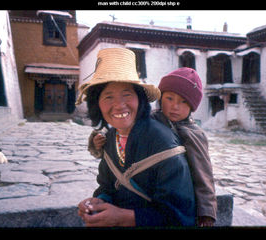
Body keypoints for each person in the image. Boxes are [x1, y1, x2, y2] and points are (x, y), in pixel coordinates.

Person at [75, 48, 196, 227]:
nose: (119, 105)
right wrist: (99, 201)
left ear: (140, 99)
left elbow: (180, 215)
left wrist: (122, 217)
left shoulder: (162, 143)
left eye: (127, 95)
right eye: (108, 97)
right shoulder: (111, 140)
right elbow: (108, 186)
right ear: (97, 104)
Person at [90, 67, 217, 227]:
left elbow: (203, 174)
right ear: (160, 97)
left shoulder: (192, 134)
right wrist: (98, 140)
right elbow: (119, 126)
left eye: (183, 101)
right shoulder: (150, 118)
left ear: (192, 107)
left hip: (180, 192)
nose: (175, 106)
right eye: (169, 98)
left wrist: (207, 212)